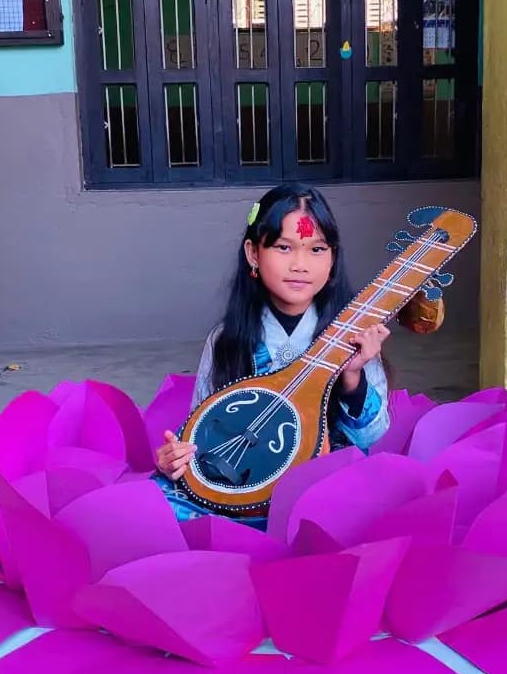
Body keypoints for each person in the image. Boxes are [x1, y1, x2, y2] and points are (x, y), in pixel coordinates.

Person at [153, 183, 392, 526]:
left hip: (321, 483)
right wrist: (176, 458)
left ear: (333, 257)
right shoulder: (226, 339)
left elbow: (372, 435)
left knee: (353, 508)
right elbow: (204, 430)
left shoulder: (353, 332)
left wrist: (353, 377)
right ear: (253, 253)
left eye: (317, 249)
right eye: (283, 247)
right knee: (158, 503)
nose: (300, 265)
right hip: (245, 484)